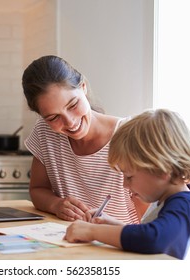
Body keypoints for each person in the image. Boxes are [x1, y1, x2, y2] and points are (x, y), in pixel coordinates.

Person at [64, 109, 190, 259]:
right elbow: (148, 231)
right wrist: (112, 224)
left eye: (129, 176)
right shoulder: (177, 200)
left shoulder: (185, 205)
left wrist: (92, 232)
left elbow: (152, 238)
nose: (124, 184)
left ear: (162, 170)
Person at [22, 55, 147, 223]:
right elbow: (37, 189)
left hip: (120, 243)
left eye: (73, 105)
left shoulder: (131, 136)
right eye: (53, 117)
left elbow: (150, 222)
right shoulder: (45, 133)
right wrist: (56, 204)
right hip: (69, 241)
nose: (70, 122)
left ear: (83, 87)